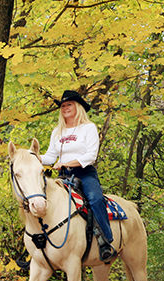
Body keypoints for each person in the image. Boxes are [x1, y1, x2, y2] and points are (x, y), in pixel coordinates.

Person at [41, 90, 116, 262]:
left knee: (95, 199)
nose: (65, 108)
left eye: (69, 104)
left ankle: (105, 241)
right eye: (63, 106)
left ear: (78, 107)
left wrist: (67, 163)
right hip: (62, 177)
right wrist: (34, 157)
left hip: (84, 174)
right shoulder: (57, 132)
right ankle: (39, 247)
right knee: (41, 201)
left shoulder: (88, 128)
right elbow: (51, 157)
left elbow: (91, 156)